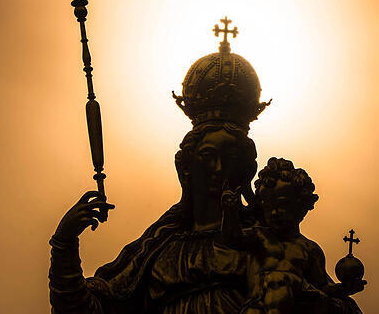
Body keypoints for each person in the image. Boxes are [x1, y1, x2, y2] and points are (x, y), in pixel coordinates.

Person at [49, 120, 258, 314]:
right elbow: (83, 310)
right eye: (208, 155)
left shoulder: (261, 239)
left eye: (230, 158)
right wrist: (64, 244)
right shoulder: (157, 247)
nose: (219, 168)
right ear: (186, 168)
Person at [221, 158, 364, 314]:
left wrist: (343, 288)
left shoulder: (310, 249)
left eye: (282, 206)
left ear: (301, 205)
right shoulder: (259, 236)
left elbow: (322, 287)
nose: (274, 213)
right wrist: (230, 211)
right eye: (268, 207)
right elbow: (232, 239)